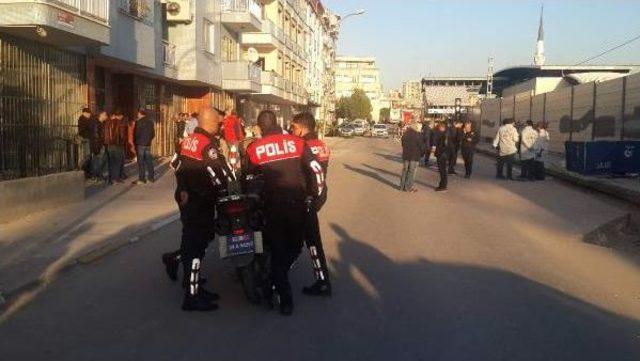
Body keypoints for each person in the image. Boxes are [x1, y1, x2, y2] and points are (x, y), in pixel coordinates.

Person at [244, 110, 324, 316]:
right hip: (297, 205)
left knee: (279, 252)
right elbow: (316, 169)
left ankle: (281, 294)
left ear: (260, 128)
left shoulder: (256, 147)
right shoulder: (296, 143)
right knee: (295, 248)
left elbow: (246, 173)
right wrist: (315, 196)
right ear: (278, 124)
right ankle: (276, 287)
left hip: (273, 208)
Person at [164, 108, 232, 312]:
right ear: (211, 123)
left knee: (193, 239)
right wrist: (225, 193)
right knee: (197, 245)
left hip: (187, 198)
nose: (220, 127)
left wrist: (183, 186)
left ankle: (186, 276)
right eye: (219, 124)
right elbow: (216, 174)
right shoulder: (207, 145)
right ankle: (191, 296)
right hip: (200, 200)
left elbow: (174, 164)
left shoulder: (187, 140)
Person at [290, 112, 332, 297]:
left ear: (301, 128)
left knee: (297, 240)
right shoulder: (322, 145)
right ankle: (322, 280)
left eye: (293, 128)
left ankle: (276, 279)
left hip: (304, 197)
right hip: (318, 195)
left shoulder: (302, 146)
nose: (291, 131)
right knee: (313, 240)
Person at [399, 122, 424, 192]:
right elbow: (421, 146)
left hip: (406, 155)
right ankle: (408, 187)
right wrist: (422, 153)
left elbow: (403, 144)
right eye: (420, 128)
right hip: (414, 156)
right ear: (416, 127)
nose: (420, 129)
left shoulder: (405, 134)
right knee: (411, 172)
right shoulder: (418, 135)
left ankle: (402, 186)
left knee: (405, 171)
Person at [133, 109, 155, 185]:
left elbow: (136, 134)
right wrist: (149, 140)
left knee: (141, 162)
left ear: (140, 114)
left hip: (141, 144)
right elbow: (153, 134)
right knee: (149, 161)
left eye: (138, 113)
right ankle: (151, 178)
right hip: (148, 143)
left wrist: (136, 142)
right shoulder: (150, 122)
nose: (137, 115)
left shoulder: (139, 122)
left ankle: (142, 179)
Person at [104, 111, 126, 184]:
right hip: (117, 145)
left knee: (111, 163)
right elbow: (122, 135)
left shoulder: (107, 122)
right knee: (117, 163)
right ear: (120, 115)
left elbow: (106, 134)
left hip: (109, 145)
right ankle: (115, 179)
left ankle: (110, 179)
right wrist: (122, 143)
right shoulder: (120, 123)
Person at [432, 121, 450, 192]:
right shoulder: (445, 134)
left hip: (442, 155)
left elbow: (443, 146)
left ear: (443, 128)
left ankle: (443, 186)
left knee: (442, 171)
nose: (438, 129)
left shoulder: (444, 136)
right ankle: (442, 185)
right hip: (443, 154)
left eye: (439, 128)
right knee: (443, 171)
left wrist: (438, 151)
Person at [90, 110, 107, 182]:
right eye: (105, 115)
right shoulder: (97, 124)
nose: (106, 116)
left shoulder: (102, 123)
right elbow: (96, 136)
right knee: (99, 161)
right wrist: (98, 146)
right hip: (98, 145)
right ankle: (97, 176)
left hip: (100, 144)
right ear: (101, 115)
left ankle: (96, 176)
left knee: (98, 161)